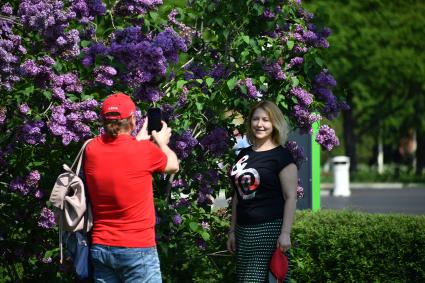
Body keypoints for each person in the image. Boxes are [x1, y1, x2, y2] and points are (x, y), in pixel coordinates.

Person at [83, 93, 179, 282]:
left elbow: (120, 154)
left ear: (104, 120)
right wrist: (161, 142)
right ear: (133, 120)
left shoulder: (91, 149)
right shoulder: (144, 151)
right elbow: (173, 165)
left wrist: (138, 140)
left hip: (101, 246)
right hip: (137, 248)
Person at [227, 100, 298, 282]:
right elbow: (238, 194)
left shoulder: (282, 157)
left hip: (268, 232)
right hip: (243, 232)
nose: (260, 124)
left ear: (275, 123)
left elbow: (290, 197)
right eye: (256, 119)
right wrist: (232, 231)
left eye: (266, 120)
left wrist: (285, 233)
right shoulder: (244, 154)